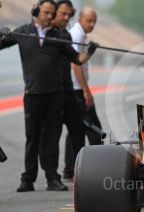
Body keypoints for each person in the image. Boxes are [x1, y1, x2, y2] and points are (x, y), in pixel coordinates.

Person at [0, 0, 98, 192]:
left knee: (52, 138)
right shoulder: (22, 32)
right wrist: (2, 33)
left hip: (55, 96)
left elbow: (77, 59)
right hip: (33, 94)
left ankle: (52, 178)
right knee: (32, 137)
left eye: (52, 14)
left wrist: (90, 51)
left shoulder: (60, 35)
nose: (50, 17)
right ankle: (27, 179)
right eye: (46, 13)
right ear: (36, 12)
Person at [40, 0, 86, 182]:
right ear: (53, 13)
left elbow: (76, 59)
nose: (67, 18)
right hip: (51, 92)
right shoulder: (44, 35)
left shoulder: (64, 34)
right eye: (63, 14)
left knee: (78, 129)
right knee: (51, 135)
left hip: (67, 91)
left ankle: (77, 170)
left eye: (69, 15)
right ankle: (51, 175)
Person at [65, 7, 104, 171]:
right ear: (80, 19)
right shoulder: (77, 35)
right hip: (77, 90)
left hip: (75, 88)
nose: (92, 24)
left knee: (76, 129)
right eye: (89, 20)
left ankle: (70, 168)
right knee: (95, 130)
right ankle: (97, 167)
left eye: (94, 21)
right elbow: (76, 65)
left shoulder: (78, 33)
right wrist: (86, 91)